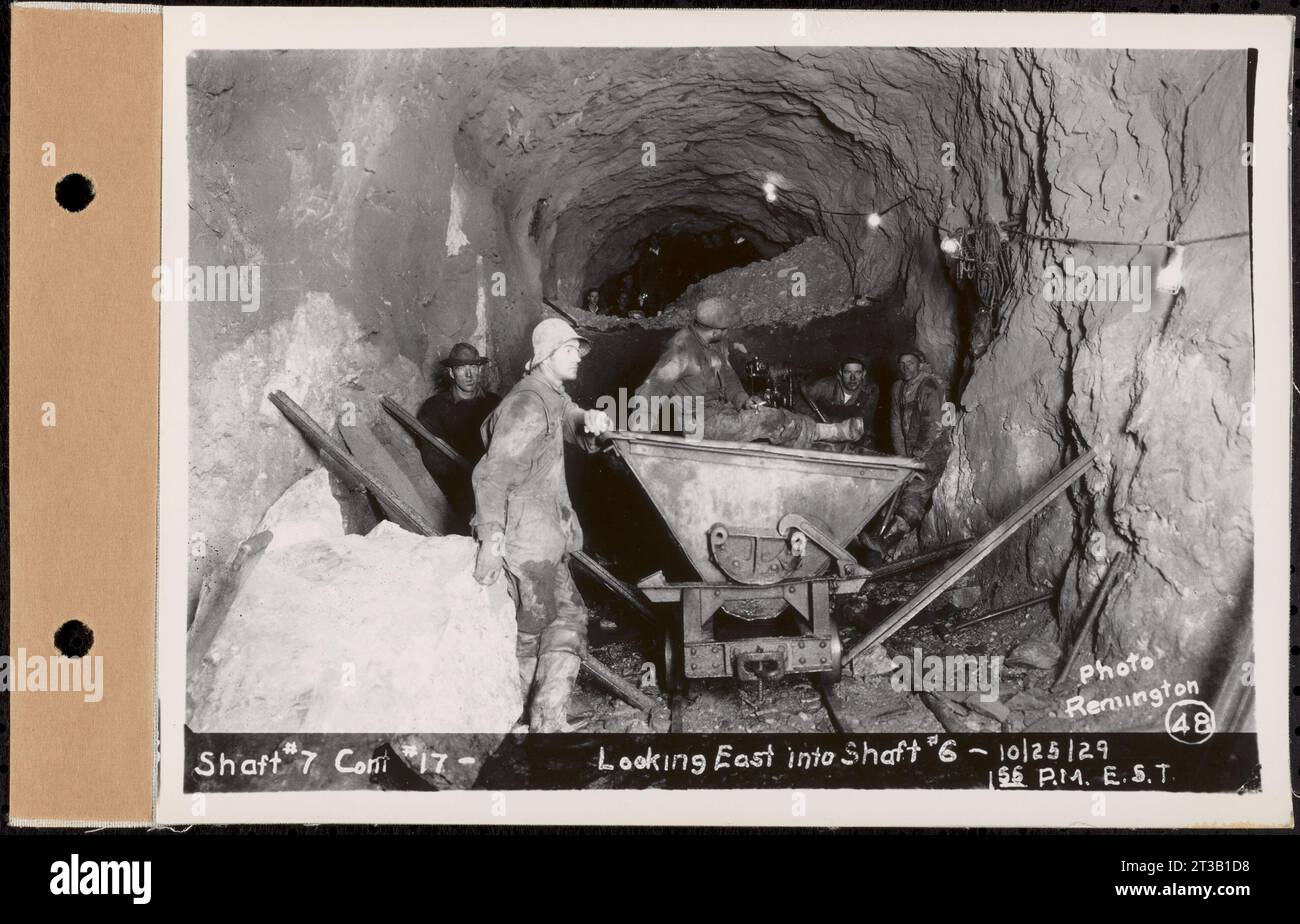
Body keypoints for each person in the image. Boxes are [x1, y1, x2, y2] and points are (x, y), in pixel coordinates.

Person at [471, 318, 613, 733]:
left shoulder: (550, 395)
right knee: (533, 631)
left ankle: (547, 717)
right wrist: (490, 539)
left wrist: (591, 420)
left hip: (546, 538)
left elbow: (569, 415)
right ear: (548, 355)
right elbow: (491, 475)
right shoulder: (525, 404)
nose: (577, 359)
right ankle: (512, 719)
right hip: (525, 542)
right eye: (569, 351)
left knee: (566, 619)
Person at [634, 296, 861, 446]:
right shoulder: (680, 349)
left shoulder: (717, 344)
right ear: (716, 330)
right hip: (701, 424)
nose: (729, 331)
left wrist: (743, 399)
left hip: (722, 412)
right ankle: (828, 433)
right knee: (770, 419)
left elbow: (730, 379)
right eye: (726, 328)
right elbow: (651, 388)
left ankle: (816, 434)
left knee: (766, 413)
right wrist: (638, 438)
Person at [416, 343, 500, 529]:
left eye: (474, 367)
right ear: (452, 373)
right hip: (456, 494)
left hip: (494, 488)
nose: (469, 375)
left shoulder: (496, 404)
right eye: (462, 368)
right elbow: (434, 461)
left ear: (480, 370)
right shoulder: (433, 408)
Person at [884, 349, 951, 537]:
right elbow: (896, 423)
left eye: (911, 363)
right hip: (911, 449)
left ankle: (893, 537)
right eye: (902, 364)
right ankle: (883, 531)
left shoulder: (929, 386)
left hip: (934, 447)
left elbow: (933, 424)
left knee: (915, 488)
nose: (906, 368)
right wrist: (902, 457)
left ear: (920, 365)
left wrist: (917, 455)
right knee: (897, 485)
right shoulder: (898, 388)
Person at [802, 356, 880, 450]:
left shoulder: (870, 391)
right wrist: (813, 419)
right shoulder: (825, 385)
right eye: (848, 372)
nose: (853, 378)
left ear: (864, 374)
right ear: (840, 373)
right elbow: (803, 401)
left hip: (858, 439)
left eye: (857, 373)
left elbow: (862, 423)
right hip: (826, 439)